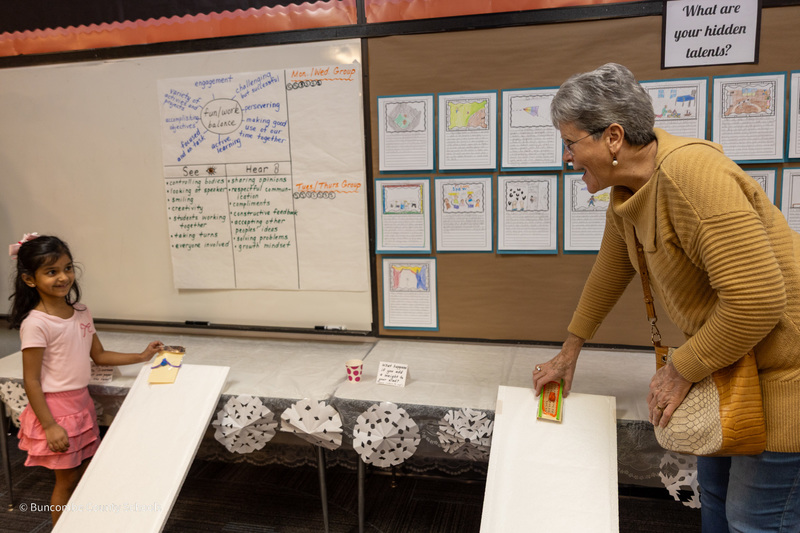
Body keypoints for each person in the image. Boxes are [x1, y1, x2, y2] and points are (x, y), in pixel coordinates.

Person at [531, 63, 800, 532]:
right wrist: (569, 352)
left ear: (613, 137)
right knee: (714, 501)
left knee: (753, 521)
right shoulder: (628, 191)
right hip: (734, 370)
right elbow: (610, 272)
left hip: (785, 376)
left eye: (570, 143)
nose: (567, 158)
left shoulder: (691, 176)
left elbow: (757, 300)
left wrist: (680, 369)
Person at [8, 233, 163, 524]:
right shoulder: (36, 324)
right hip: (56, 411)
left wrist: (142, 356)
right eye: (51, 272)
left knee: (87, 476)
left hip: (82, 406)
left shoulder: (81, 311)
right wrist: (50, 425)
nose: (63, 277)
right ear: (30, 279)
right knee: (66, 482)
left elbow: (100, 356)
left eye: (67, 268)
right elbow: (31, 381)